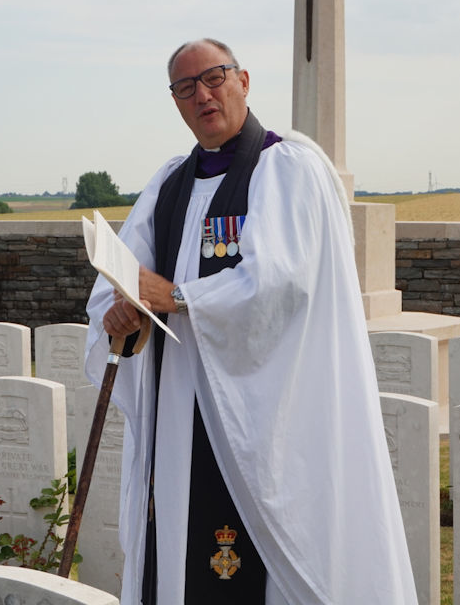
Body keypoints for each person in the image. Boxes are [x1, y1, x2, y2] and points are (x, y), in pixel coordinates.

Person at [84, 38, 418, 604]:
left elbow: (282, 284)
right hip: (176, 406)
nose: (203, 95)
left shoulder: (287, 168)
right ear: (176, 102)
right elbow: (122, 276)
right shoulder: (169, 182)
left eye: (213, 78)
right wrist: (122, 314)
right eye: (185, 87)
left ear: (243, 80)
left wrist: (181, 296)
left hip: (260, 416)